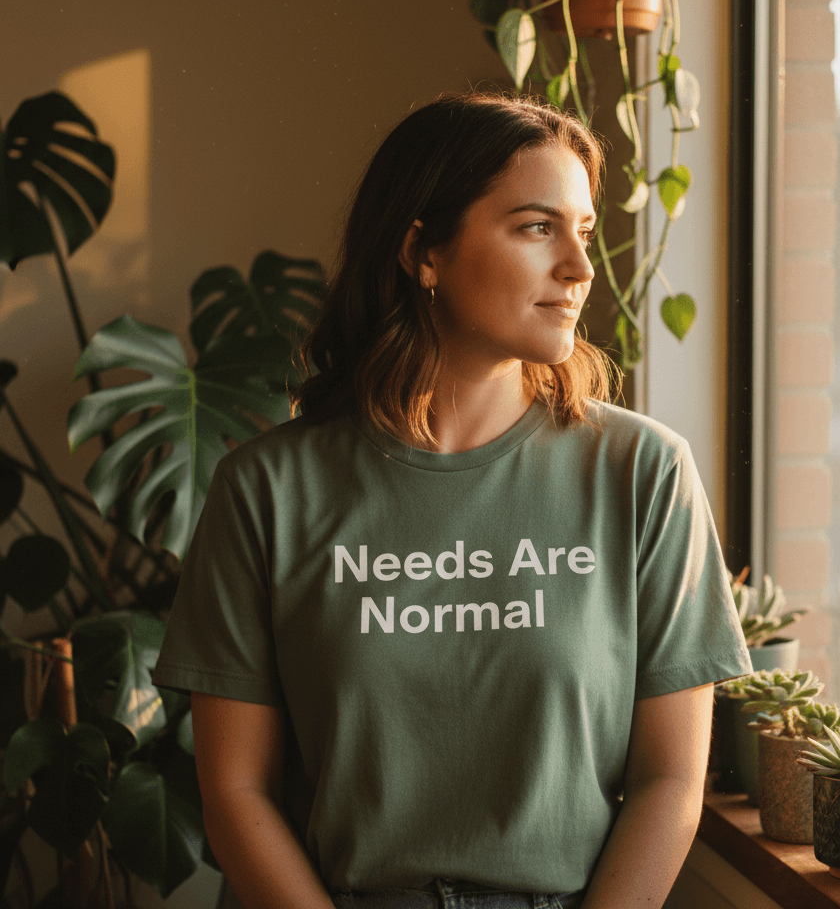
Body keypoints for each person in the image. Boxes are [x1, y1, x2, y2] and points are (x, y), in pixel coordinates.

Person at [152, 91, 752, 909]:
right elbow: (236, 793)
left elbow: (671, 781)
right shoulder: (266, 489)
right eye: (537, 227)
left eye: (581, 230)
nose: (579, 267)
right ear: (422, 251)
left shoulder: (643, 473)